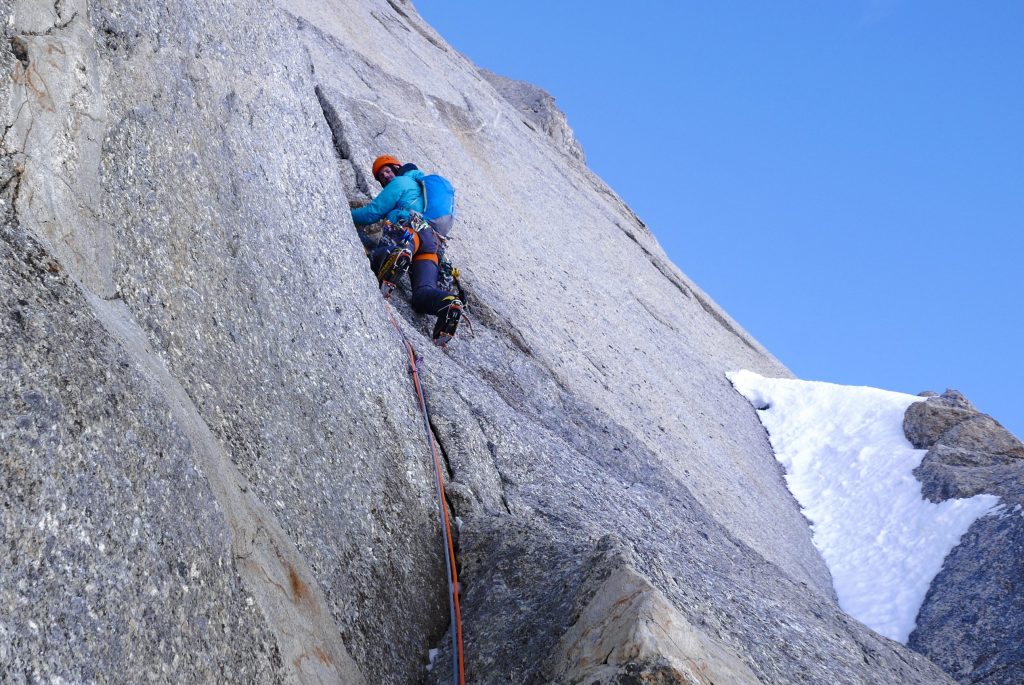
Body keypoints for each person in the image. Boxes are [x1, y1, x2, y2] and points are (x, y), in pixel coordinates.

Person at [350, 155, 463, 345]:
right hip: (433, 245)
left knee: (394, 248)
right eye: (380, 177)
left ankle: (396, 259)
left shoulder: (402, 182)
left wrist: (342, 211)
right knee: (422, 293)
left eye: (386, 171)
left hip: (414, 232)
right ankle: (448, 304)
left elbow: (371, 213)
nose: (385, 177)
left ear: (397, 168)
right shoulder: (422, 190)